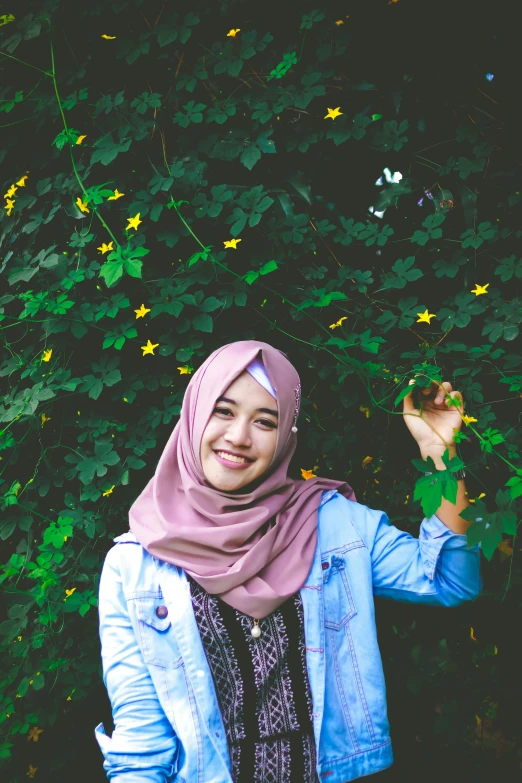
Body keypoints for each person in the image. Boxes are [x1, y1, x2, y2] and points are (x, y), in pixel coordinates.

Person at [94, 340, 482, 783]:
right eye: (223, 411)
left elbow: (451, 580)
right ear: (194, 414)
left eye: (265, 421)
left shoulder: (333, 523)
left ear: (285, 437)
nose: (239, 436)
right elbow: (141, 750)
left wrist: (441, 453)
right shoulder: (134, 566)